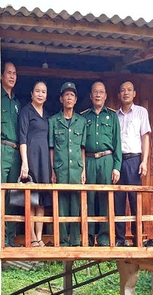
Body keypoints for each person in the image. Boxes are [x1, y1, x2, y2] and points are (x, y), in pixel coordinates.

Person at [82, 81, 121, 246]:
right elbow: (81, 145)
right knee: (88, 198)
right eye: (95, 92)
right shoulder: (83, 117)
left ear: (105, 96)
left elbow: (118, 143)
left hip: (106, 159)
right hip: (89, 160)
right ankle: (89, 236)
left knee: (106, 198)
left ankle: (104, 236)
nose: (98, 95)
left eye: (101, 92)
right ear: (91, 96)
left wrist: (116, 167)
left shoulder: (112, 116)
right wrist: (82, 167)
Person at [49, 82, 87, 246]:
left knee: (76, 204)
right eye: (66, 95)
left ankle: (76, 240)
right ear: (61, 99)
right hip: (60, 168)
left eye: (72, 95)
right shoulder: (53, 121)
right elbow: (51, 148)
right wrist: (52, 169)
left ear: (76, 99)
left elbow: (82, 148)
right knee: (61, 205)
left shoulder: (82, 121)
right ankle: (63, 241)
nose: (69, 97)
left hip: (77, 169)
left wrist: (83, 169)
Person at [115, 80, 151, 246]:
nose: (126, 93)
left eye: (129, 90)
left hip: (135, 159)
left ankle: (138, 239)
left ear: (134, 93)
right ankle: (120, 239)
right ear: (119, 95)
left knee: (135, 200)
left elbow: (145, 136)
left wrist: (144, 161)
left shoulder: (141, 112)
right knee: (118, 201)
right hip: (118, 160)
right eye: (123, 90)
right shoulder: (115, 115)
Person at [18, 81, 51, 247]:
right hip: (31, 157)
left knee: (42, 200)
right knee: (31, 199)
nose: (40, 94)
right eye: (37, 91)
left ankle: (39, 237)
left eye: (43, 92)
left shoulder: (47, 115)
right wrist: (24, 162)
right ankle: (31, 237)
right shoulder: (26, 111)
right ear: (31, 93)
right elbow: (22, 137)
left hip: (44, 160)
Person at [0, 61, 22, 247]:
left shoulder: (17, 102)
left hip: (16, 151)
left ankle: (10, 237)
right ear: (1, 76)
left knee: (13, 195)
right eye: (9, 73)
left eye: (14, 73)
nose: (12, 76)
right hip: (1, 148)